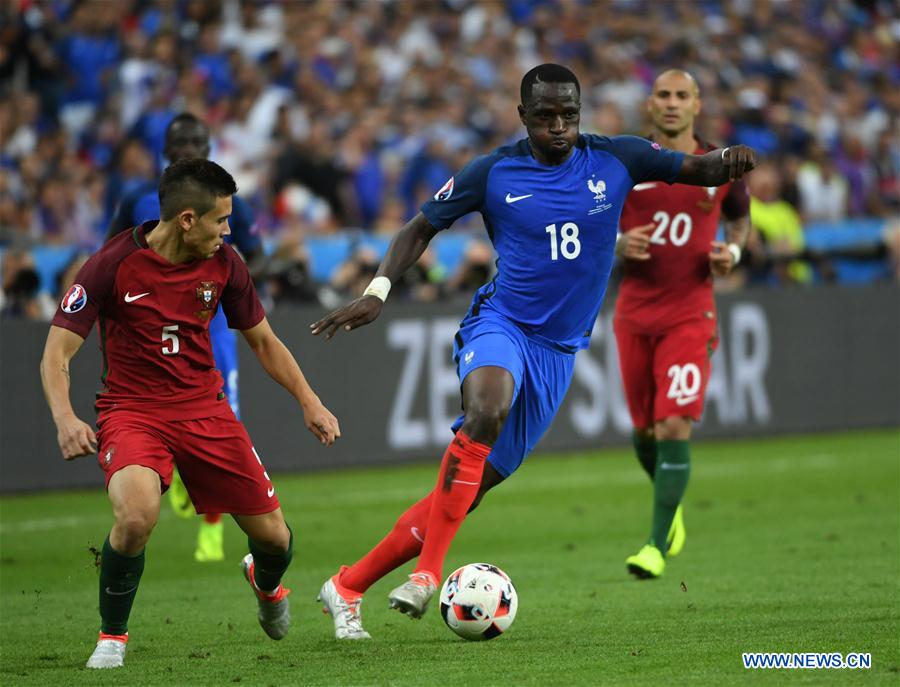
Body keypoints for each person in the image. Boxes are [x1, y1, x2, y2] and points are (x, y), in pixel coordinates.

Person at [309, 63, 756, 639]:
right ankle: (427, 574)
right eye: (545, 117)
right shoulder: (493, 171)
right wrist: (378, 291)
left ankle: (346, 585)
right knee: (486, 409)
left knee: (467, 491)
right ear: (523, 116)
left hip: (558, 350)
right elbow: (419, 227)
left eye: (569, 115)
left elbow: (697, 167)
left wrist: (732, 159)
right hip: (502, 324)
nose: (559, 127)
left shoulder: (617, 156)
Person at [40, 159, 340, 668]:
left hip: (205, 410)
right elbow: (56, 353)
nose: (228, 231)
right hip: (132, 412)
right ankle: (112, 638)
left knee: (273, 538)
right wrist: (66, 418)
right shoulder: (110, 265)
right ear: (186, 219)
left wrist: (309, 401)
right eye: (220, 220)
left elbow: (264, 342)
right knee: (135, 516)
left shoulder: (227, 264)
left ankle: (266, 587)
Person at [107, 113, 267, 563]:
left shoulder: (228, 202)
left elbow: (255, 255)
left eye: (199, 140)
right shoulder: (138, 199)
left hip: (210, 323)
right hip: (150, 328)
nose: (192, 148)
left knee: (226, 416)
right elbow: (110, 255)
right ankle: (173, 468)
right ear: (166, 150)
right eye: (183, 142)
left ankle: (211, 533)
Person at [611, 70, 751, 579]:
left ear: (697, 104)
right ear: (651, 105)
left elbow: (740, 218)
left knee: (674, 424)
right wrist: (617, 245)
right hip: (633, 313)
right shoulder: (626, 162)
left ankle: (654, 542)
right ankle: (672, 508)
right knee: (645, 432)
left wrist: (731, 250)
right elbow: (591, 220)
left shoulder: (717, 165)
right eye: (664, 95)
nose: (672, 104)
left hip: (691, 312)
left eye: (681, 96)